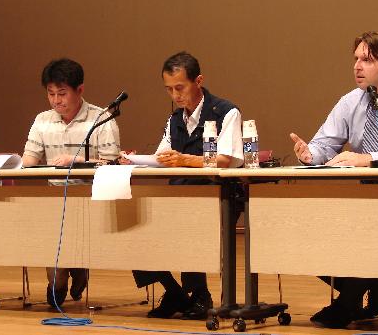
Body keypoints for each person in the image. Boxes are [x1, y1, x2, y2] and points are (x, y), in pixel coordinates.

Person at [290, 31, 378, 328]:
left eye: (367, 60)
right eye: (356, 59)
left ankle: (349, 301)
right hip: (365, 200)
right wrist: (310, 154)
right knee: (303, 230)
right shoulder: (350, 101)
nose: (357, 66)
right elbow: (324, 144)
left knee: (368, 230)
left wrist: (371, 158)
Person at [130, 51, 244, 320]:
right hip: (180, 193)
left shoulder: (226, 112)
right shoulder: (174, 120)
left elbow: (226, 160)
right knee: (136, 226)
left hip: (219, 195)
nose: (175, 95)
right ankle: (175, 293)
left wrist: (184, 160)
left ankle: (200, 295)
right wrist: (135, 159)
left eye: (180, 88)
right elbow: (162, 158)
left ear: (198, 81)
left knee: (189, 222)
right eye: (169, 89)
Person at [21, 58, 120, 308]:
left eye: (62, 93)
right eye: (51, 93)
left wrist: (77, 162)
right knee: (55, 281)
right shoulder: (43, 120)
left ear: (80, 90)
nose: (56, 100)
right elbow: (29, 160)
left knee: (70, 238)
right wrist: (19, 162)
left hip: (92, 200)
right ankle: (65, 277)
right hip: (55, 199)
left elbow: (113, 163)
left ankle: (77, 268)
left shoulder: (101, 118)